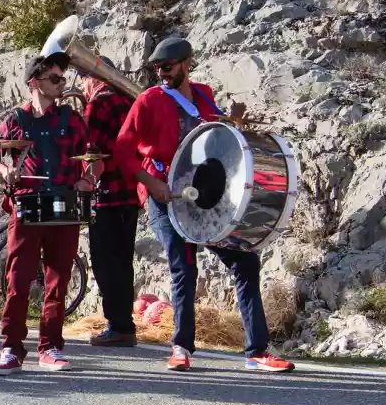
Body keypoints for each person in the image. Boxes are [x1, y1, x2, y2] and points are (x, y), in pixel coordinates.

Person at [115, 37, 294, 373]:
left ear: (186, 64)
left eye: (167, 67)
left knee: (244, 262)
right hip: (164, 195)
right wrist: (152, 183)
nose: (161, 74)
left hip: (203, 196)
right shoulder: (149, 100)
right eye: (156, 69)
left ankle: (257, 351)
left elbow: (214, 141)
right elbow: (123, 151)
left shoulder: (204, 95)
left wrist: (235, 123)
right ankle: (181, 347)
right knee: (183, 266)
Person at [0, 52, 97, 375]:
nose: (61, 85)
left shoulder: (71, 119)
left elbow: (95, 158)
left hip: (64, 206)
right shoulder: (13, 120)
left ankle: (50, 347)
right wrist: (2, 169)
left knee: (58, 281)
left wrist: (89, 177)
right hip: (27, 208)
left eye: (61, 78)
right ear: (34, 84)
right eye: (54, 79)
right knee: (18, 280)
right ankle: (11, 348)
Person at [79, 58, 142, 348]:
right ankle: (124, 324)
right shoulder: (128, 99)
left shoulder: (97, 105)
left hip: (107, 195)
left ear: (92, 77)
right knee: (123, 261)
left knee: (104, 262)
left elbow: (94, 157)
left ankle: (118, 326)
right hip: (131, 193)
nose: (82, 86)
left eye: (83, 79)